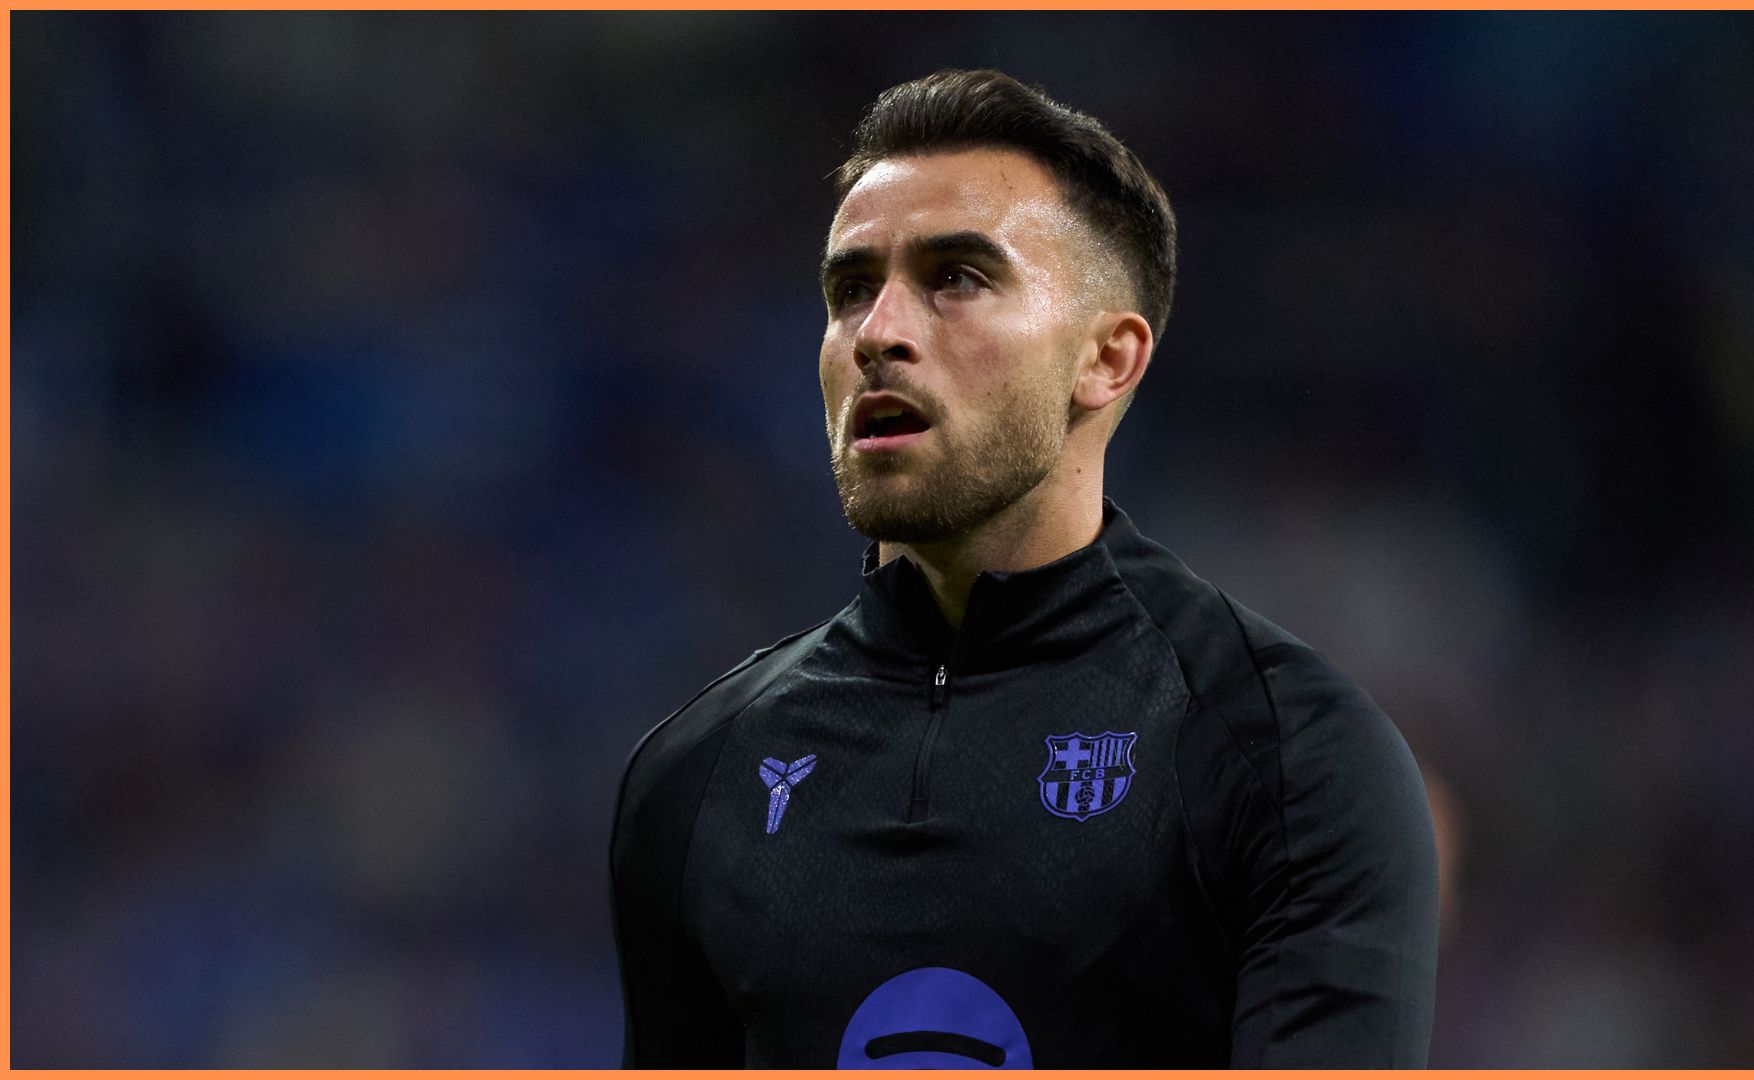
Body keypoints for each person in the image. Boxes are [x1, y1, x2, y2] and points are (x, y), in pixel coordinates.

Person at [609, 68, 1438, 1069]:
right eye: (850, 289)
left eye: (955, 277)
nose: (879, 334)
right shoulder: (697, 778)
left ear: (1107, 360)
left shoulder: (1286, 757)